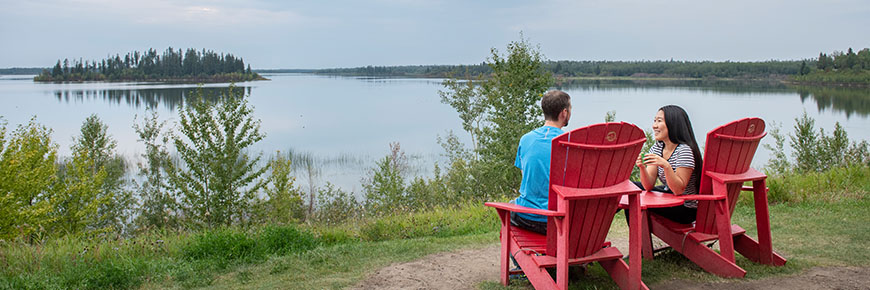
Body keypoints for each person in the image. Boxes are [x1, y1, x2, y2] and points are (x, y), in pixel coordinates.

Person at [510, 90, 572, 235]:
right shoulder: (571, 142)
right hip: (559, 219)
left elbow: (525, 176)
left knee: (511, 207)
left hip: (525, 218)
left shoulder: (526, 139)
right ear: (564, 113)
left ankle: (519, 256)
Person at [635, 105, 703, 224]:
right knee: (632, 189)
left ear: (673, 124)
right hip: (670, 199)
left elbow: (678, 190)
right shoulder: (658, 147)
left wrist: (666, 166)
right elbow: (648, 186)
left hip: (685, 208)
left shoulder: (684, 151)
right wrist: (642, 168)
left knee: (635, 202)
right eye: (654, 120)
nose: (654, 125)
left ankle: (639, 242)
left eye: (659, 121)